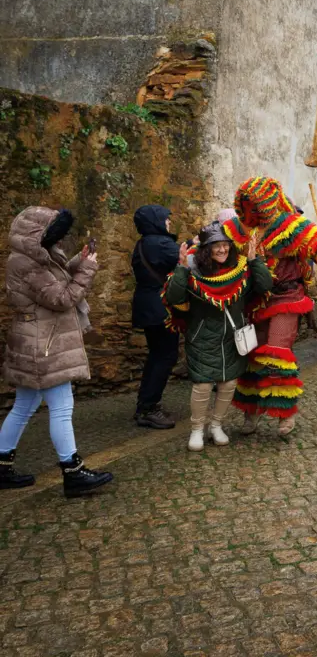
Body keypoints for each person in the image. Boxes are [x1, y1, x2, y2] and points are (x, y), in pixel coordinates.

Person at [0, 207, 112, 496]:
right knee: (62, 408)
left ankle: (2, 466)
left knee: (23, 407)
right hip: (44, 345)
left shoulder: (34, 257)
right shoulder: (30, 265)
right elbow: (63, 298)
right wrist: (87, 269)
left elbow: (57, 282)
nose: (56, 240)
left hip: (35, 340)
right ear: (36, 235)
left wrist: (78, 260)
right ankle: (73, 473)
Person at [222, 177, 317, 437]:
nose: (253, 210)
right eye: (248, 204)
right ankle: (250, 410)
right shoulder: (240, 229)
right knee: (253, 357)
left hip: (287, 300)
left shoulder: (293, 226)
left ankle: (284, 414)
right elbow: (217, 247)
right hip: (255, 303)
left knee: (277, 354)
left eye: (257, 204)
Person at [164, 223, 273, 451]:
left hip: (233, 338)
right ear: (207, 249)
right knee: (203, 385)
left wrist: (254, 260)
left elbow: (264, 285)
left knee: (229, 382)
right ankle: (196, 429)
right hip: (202, 336)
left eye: (226, 245)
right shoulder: (194, 272)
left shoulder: (240, 269)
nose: (222, 250)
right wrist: (182, 269)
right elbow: (174, 297)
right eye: (217, 246)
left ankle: (216, 425)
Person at [130, 204, 181, 429]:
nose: (169, 222)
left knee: (156, 355)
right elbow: (186, 259)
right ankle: (149, 408)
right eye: (165, 219)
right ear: (155, 221)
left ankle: (145, 404)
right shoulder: (161, 243)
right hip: (160, 307)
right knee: (166, 356)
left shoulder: (143, 243)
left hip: (146, 305)